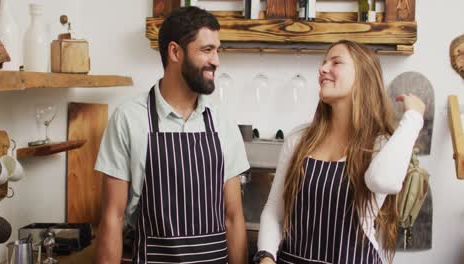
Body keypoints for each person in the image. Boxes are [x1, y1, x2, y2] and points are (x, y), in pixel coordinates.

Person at [94, 7, 249, 263]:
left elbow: (233, 218)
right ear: (175, 52)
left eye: (217, 50)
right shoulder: (129, 119)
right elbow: (113, 218)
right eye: (206, 50)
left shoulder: (222, 122)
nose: (216, 61)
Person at [254, 40, 425, 264]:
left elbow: (382, 181)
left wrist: (413, 118)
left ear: (363, 76)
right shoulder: (299, 140)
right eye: (324, 63)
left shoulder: (380, 143)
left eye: (336, 62)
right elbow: (274, 210)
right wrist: (266, 256)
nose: (323, 69)